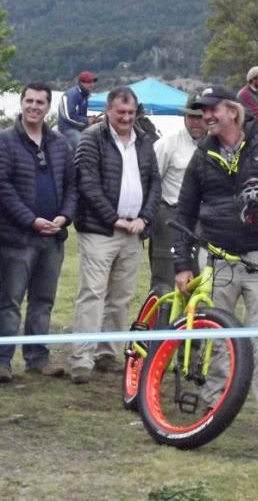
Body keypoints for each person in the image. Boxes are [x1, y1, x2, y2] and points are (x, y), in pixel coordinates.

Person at [173, 85, 258, 439]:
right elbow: (184, 212)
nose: (205, 116)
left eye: (211, 110)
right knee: (219, 338)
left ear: (232, 112)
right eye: (201, 111)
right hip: (217, 259)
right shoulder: (202, 156)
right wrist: (182, 265)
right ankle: (215, 402)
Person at [69, 86, 161, 384]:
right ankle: (82, 358)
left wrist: (145, 218)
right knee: (92, 294)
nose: (125, 117)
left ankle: (107, 353)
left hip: (134, 232)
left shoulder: (145, 141)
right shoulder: (90, 138)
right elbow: (88, 185)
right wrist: (115, 219)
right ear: (108, 111)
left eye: (131, 112)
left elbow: (154, 183)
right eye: (120, 112)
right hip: (99, 231)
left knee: (120, 298)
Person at [0, 82, 77, 383]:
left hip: (52, 238)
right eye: (29, 101)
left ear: (48, 107)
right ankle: (2, 360)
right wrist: (30, 220)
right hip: (16, 238)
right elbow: (3, 188)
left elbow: (72, 186)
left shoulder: (60, 144)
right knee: (9, 301)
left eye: (40, 102)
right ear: (21, 104)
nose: (34, 106)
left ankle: (37, 358)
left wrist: (65, 217)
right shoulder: (5, 142)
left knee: (43, 301)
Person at [150, 92, 207, 295]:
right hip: (172, 218)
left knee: (201, 280)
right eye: (192, 117)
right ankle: (161, 326)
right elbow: (151, 184)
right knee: (167, 282)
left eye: (201, 117)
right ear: (184, 117)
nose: (196, 122)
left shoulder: (215, 146)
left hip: (204, 220)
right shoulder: (167, 144)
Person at [58, 71, 99, 148]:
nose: (92, 85)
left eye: (93, 82)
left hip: (79, 128)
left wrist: (91, 119)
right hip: (67, 129)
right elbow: (68, 116)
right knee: (83, 146)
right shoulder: (72, 94)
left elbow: (80, 115)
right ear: (81, 83)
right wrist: (86, 121)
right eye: (89, 82)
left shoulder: (85, 96)